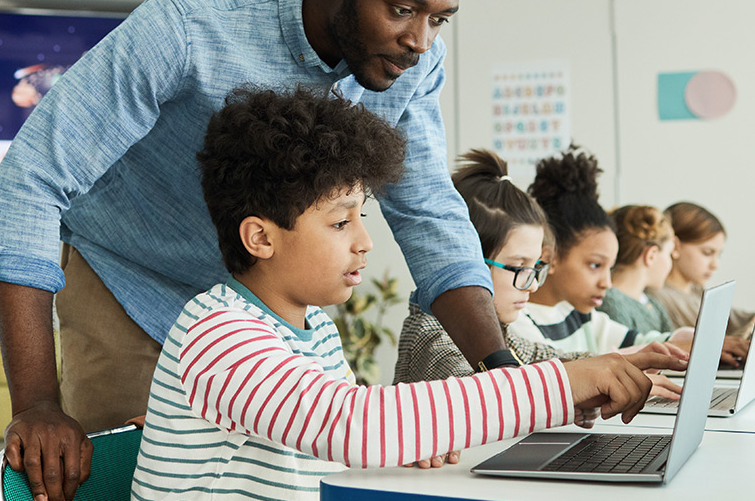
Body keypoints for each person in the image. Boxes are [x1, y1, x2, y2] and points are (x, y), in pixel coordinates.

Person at [0, 0, 509, 501]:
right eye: (402, 9)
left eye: (438, 20)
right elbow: (30, 179)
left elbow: (428, 214)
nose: (420, 41)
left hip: (269, 314)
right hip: (131, 285)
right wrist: (38, 404)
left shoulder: (412, 63)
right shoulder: (195, 21)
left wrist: (497, 368)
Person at [131, 86, 685, 501]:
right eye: (340, 223)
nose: (366, 242)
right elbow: (348, 425)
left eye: (361, 216)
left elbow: (339, 441)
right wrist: (563, 384)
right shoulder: (218, 331)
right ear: (261, 237)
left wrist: (408, 439)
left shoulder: (313, 327)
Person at [393, 148, 595, 385]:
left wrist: (618, 364)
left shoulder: (499, 330)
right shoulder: (435, 339)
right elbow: (491, 392)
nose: (531, 288)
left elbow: (551, 358)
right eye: (518, 268)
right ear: (470, 264)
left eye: (535, 268)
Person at [513, 147, 679, 355]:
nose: (607, 283)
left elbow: (646, 342)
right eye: (595, 265)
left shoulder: (580, 315)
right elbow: (566, 371)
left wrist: (687, 340)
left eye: (610, 267)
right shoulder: (517, 319)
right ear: (550, 257)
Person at [652, 201, 755, 341]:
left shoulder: (695, 289)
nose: (715, 265)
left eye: (718, 255)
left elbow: (732, 318)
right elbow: (717, 339)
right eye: (707, 253)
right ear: (675, 247)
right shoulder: (659, 297)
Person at [598, 205, 677, 334]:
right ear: (651, 255)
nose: (671, 263)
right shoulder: (611, 305)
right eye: (669, 253)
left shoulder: (653, 305)